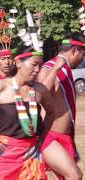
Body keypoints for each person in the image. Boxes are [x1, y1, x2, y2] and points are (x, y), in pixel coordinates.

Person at [0, 45, 56, 179]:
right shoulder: (1, 86)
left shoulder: (39, 89)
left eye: (40, 66)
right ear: (19, 63)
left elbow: (51, 112)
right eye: (34, 65)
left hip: (31, 151)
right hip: (5, 153)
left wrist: (42, 137)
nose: (37, 70)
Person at [38, 32, 85, 180]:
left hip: (65, 136)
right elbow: (40, 93)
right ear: (74, 50)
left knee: (68, 176)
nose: (83, 59)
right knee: (74, 175)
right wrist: (55, 69)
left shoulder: (66, 69)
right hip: (50, 136)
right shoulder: (50, 67)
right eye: (83, 55)